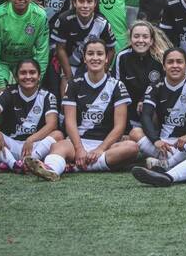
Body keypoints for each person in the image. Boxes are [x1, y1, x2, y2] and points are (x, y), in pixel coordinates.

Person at [25, 39, 139, 181]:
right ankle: (51, 170)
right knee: (58, 147)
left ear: (106, 58)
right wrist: (79, 149)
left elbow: (120, 126)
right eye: (90, 54)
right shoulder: (74, 84)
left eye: (99, 54)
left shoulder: (117, 85)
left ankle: (75, 167)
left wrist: (100, 149)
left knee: (132, 148)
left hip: (106, 145)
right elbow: (70, 122)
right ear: (84, 58)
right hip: (78, 142)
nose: (95, 58)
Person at [129, 48, 186, 171]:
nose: (175, 66)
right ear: (164, 66)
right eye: (170, 62)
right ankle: (181, 161)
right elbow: (146, 115)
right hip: (164, 145)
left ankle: (168, 163)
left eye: (179, 62)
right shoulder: (155, 86)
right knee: (135, 132)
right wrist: (155, 140)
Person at [0, 58, 63, 173]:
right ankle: (14, 165)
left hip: (35, 145)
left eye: (32, 72)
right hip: (12, 144)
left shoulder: (47, 96)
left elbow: (52, 124)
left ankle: (25, 162)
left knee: (58, 135)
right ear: (16, 77)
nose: (28, 76)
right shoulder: (9, 92)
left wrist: (31, 139)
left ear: (39, 76)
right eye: (23, 73)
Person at [51, 0, 116, 97]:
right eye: (81, 1)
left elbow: (111, 49)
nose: (85, 5)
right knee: (66, 81)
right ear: (74, 3)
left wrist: (103, 69)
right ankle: (64, 111)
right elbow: (60, 48)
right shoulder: (64, 19)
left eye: (89, 1)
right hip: (71, 62)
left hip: (93, 63)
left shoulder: (102, 23)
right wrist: (69, 75)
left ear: (95, 3)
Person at [0, 0, 49, 94]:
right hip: (3, 63)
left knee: (28, 94)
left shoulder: (40, 16)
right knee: (2, 96)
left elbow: (42, 52)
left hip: (27, 62)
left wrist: (37, 80)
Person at [112, 20, 169, 132]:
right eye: (136, 36)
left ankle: (158, 133)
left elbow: (164, 88)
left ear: (151, 40)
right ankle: (124, 130)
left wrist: (145, 99)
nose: (140, 40)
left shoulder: (160, 59)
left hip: (151, 108)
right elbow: (117, 88)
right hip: (128, 108)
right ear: (130, 39)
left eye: (145, 37)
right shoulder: (122, 57)